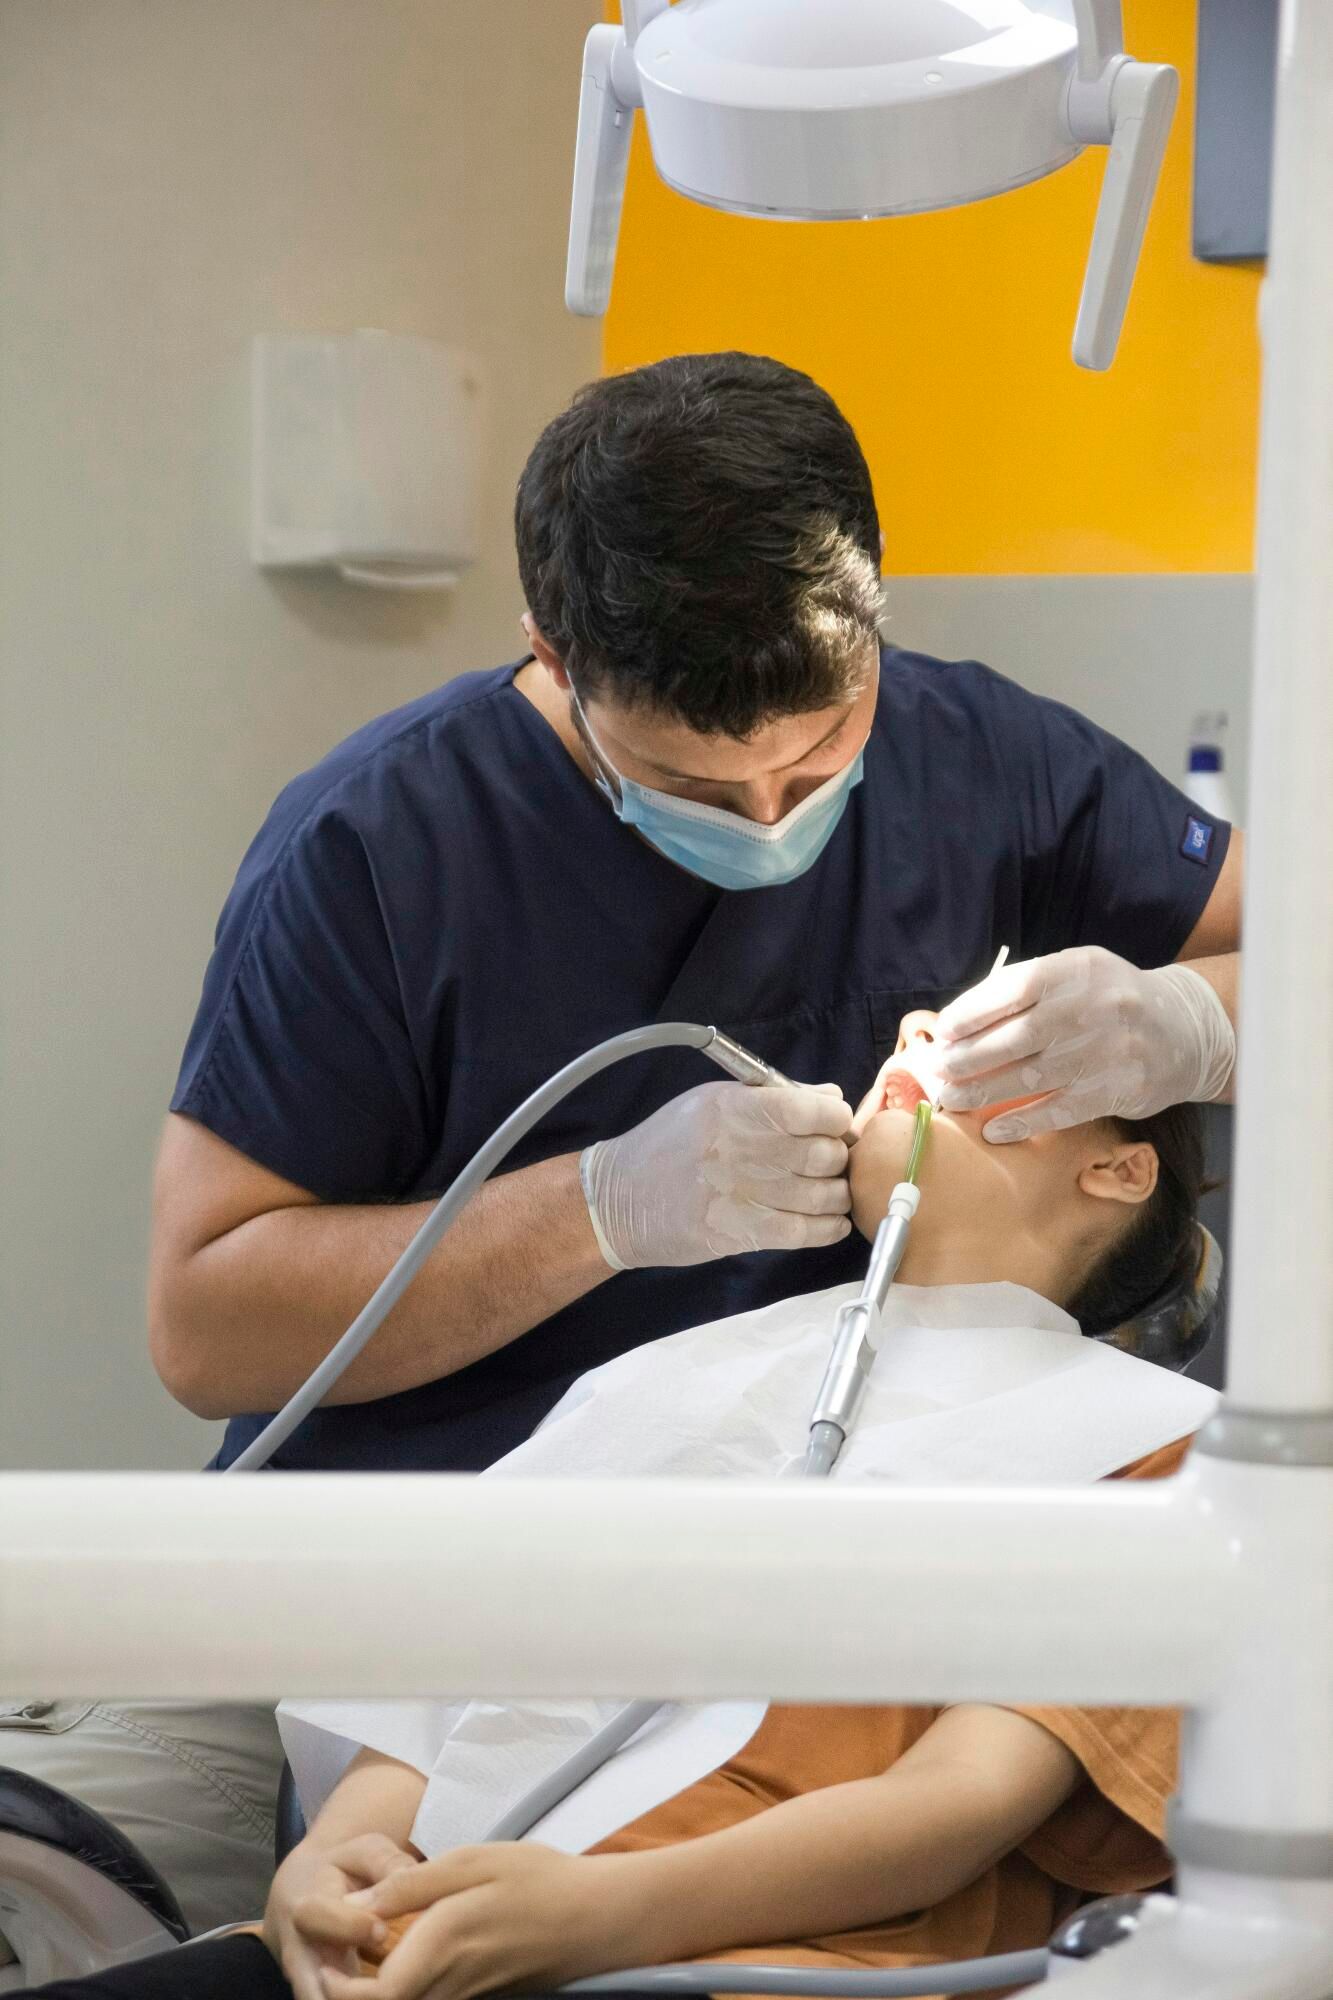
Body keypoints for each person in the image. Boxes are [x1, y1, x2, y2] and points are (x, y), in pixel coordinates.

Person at [0, 352, 1240, 1930]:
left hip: (665, 1706)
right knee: (83, 1886)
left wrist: (1192, 1022)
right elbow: (205, 1330)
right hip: (361, 1587)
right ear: (552, 657)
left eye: (819, 757)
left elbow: (945, 1801)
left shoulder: (980, 760)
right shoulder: (376, 846)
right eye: (693, 783)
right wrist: (597, 1210)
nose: (773, 815)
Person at [17, 1022, 1218, 2000]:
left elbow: (960, 1802)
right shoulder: (683, 1370)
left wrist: (598, 1914)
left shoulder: (1157, 1448)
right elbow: (444, 1675)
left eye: (996, 1038)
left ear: (1116, 1165)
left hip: (739, 1959)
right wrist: (334, 1864)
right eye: (927, 1020)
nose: (919, 1032)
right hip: (406, 1934)